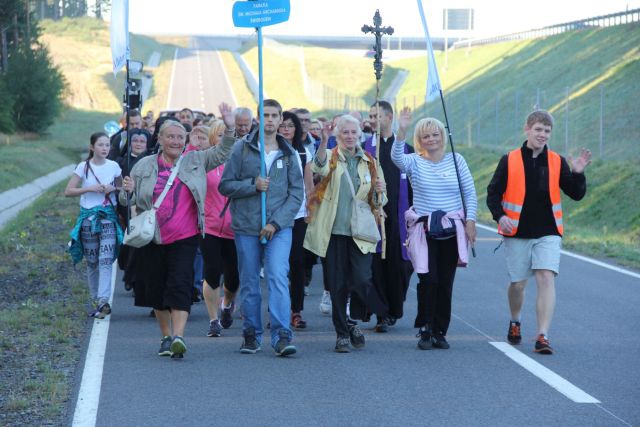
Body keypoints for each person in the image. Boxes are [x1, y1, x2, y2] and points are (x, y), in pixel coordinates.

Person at [119, 103, 236, 359]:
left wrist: (229, 126)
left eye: (180, 137)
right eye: (170, 136)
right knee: (158, 290)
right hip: (152, 237)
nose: (175, 141)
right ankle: (165, 337)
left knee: (181, 285)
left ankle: (179, 337)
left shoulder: (195, 159)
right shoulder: (144, 166)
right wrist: (125, 191)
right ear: (159, 139)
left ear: (185, 141)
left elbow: (224, 151)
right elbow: (126, 201)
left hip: (185, 237)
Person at [486, 110, 591, 355]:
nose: (543, 135)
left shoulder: (556, 160)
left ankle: (543, 334)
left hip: (549, 230)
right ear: (527, 129)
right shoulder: (509, 160)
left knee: (546, 277)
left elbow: (575, 194)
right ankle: (515, 320)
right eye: (538, 130)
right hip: (518, 231)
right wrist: (501, 217)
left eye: (547, 131)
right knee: (518, 284)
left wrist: (577, 173)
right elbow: (493, 194)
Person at [219, 99, 303, 357]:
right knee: (250, 281)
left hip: (278, 228)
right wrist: (251, 185)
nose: (270, 120)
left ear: (280, 120)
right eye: (265, 115)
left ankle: (281, 335)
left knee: (278, 277)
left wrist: (275, 223)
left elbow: (296, 195)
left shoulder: (289, 154)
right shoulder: (241, 149)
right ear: (258, 118)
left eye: (274, 115)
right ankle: (251, 333)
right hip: (246, 225)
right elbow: (225, 185)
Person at [392, 108, 477, 350]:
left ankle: (441, 330)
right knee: (428, 279)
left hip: (452, 230)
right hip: (424, 230)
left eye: (435, 135)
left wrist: (471, 221)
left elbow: (469, 193)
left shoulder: (457, 160)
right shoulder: (414, 162)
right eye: (426, 136)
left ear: (443, 136)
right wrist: (402, 130)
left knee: (445, 282)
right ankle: (425, 327)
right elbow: (396, 158)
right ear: (420, 140)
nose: (431, 139)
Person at [304, 115, 388, 353]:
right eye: (345, 133)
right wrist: (323, 141)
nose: (350, 137)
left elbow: (379, 201)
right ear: (338, 136)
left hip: (359, 232)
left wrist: (379, 192)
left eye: (354, 133)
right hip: (332, 230)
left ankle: (351, 322)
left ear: (359, 134)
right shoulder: (330, 156)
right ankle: (342, 333)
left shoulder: (370, 162)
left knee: (361, 278)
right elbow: (317, 166)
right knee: (337, 283)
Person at [365, 101, 414, 333]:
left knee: (402, 265)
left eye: (377, 116)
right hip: (373, 215)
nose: (373, 120)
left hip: (400, 217)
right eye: (370, 116)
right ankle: (381, 313)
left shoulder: (406, 148)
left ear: (389, 117)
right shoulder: (365, 148)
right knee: (377, 265)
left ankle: (395, 307)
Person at [66, 132, 123, 319]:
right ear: (92, 147)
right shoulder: (83, 167)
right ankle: (95, 300)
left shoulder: (114, 166)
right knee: (92, 262)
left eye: (107, 145)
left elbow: (122, 189)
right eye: (101, 145)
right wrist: (89, 188)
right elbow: (69, 191)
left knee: (105, 260)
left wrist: (113, 188)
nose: (105, 148)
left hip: (107, 219)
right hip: (88, 220)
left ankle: (103, 301)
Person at [193, 119, 241, 337]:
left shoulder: (241, 161)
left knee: (233, 278)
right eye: (219, 135)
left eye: (226, 135)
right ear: (213, 138)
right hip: (209, 226)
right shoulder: (204, 160)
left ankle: (227, 304)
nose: (223, 139)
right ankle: (214, 320)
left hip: (236, 227)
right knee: (212, 273)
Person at [278, 111, 315, 329]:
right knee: (277, 266)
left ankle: (296, 310)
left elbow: (309, 185)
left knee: (297, 263)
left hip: (299, 214)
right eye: (282, 125)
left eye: (290, 126)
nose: (285, 129)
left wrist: (310, 209)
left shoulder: (303, 153)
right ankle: (278, 307)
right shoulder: (269, 150)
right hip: (275, 214)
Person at [115, 128, 151, 293]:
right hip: (124, 206)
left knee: (141, 245)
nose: (138, 144)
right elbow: (117, 186)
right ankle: (130, 275)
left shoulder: (151, 162)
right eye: (135, 141)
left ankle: (136, 278)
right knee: (129, 243)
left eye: (142, 141)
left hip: (143, 207)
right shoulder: (120, 162)